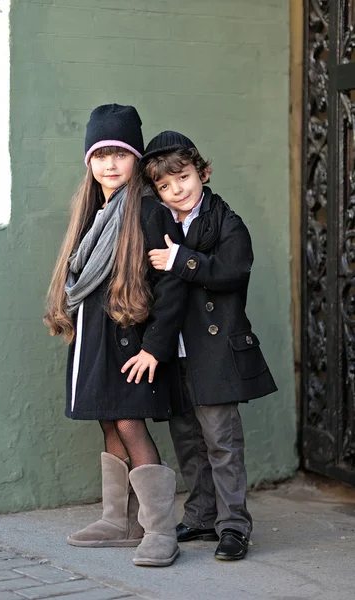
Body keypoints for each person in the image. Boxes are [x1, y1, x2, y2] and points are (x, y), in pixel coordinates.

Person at [44, 106, 187, 568]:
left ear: (136, 160)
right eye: (100, 154)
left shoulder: (147, 210)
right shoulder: (92, 211)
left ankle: (160, 529)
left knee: (129, 422)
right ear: (89, 162)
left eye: (120, 154)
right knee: (109, 421)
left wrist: (154, 348)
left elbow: (171, 287)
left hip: (132, 341)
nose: (109, 164)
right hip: (94, 336)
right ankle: (118, 519)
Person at [141, 130, 277, 561]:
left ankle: (234, 525)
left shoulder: (226, 221)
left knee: (221, 440)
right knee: (187, 439)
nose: (176, 190)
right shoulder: (158, 221)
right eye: (164, 185)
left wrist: (181, 260)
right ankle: (201, 515)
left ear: (202, 172)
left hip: (214, 351)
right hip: (175, 348)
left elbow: (234, 271)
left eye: (182, 178)